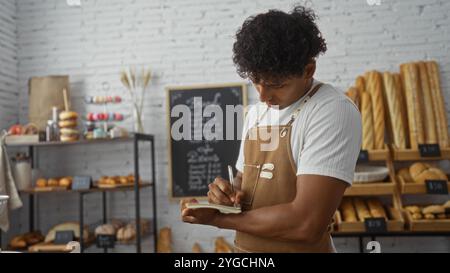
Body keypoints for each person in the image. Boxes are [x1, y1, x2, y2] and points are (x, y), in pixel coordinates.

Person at [181, 5, 362, 253]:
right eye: (257, 83)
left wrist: (219, 219)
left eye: (277, 85)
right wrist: (225, 196)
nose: (264, 96)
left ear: (308, 70)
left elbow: (306, 223)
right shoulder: (257, 113)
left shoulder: (332, 111)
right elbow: (246, 182)